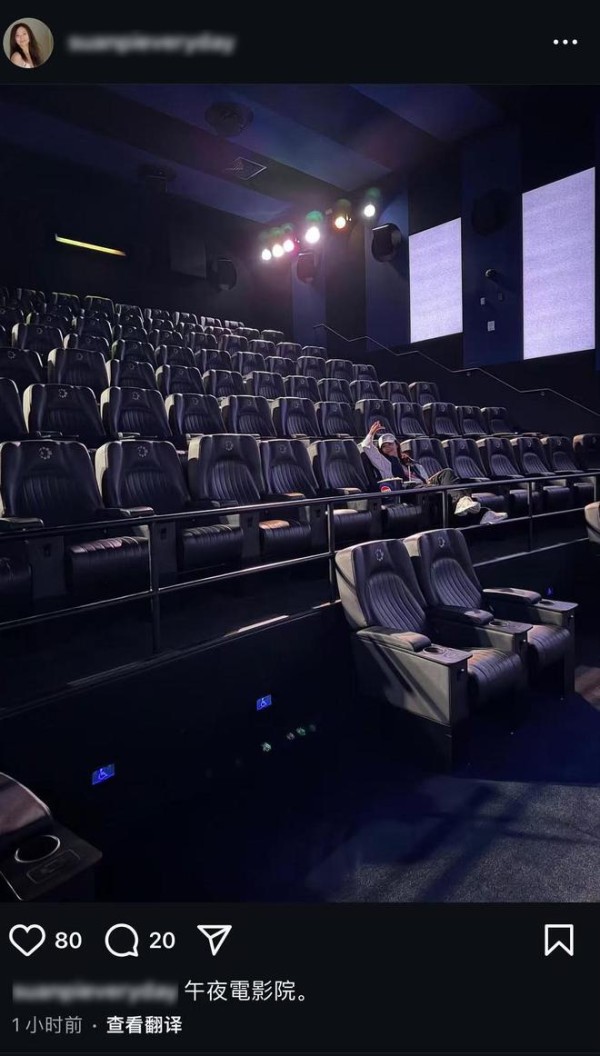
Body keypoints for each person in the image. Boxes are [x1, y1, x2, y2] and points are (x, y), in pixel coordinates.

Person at [359, 421, 507, 525]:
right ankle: (482, 513)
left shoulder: (410, 462)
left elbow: (424, 478)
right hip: (408, 490)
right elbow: (366, 447)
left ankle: (464, 502)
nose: (388, 448)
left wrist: (428, 482)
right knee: (444, 493)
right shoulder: (385, 463)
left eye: (390, 444)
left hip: (424, 485)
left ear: (397, 445)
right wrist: (371, 434)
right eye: (384, 446)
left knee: (447, 473)